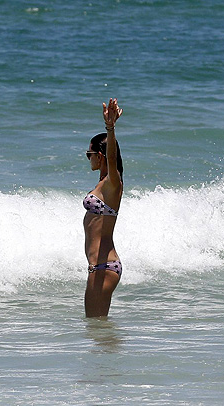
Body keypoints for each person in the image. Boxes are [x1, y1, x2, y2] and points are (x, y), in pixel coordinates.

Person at [82, 98, 124, 317]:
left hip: (104, 267)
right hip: (99, 267)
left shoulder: (112, 183)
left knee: (96, 328)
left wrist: (110, 127)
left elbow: (113, 156)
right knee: (99, 331)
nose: (87, 159)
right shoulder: (102, 184)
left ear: (99, 156)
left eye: (89, 154)